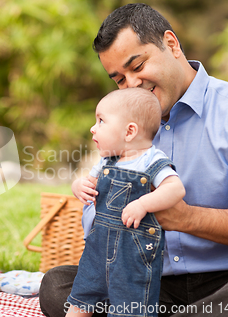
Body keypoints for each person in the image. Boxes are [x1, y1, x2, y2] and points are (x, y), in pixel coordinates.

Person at [40, 3, 228, 317]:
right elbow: (94, 220)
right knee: (58, 285)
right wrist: (102, 203)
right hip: (147, 284)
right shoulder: (123, 125)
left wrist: (183, 218)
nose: (132, 84)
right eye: (119, 79)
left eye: (137, 66)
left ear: (171, 44)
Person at [65, 88, 185, 317]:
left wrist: (143, 204)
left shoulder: (153, 159)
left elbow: (175, 189)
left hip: (133, 253)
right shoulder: (106, 161)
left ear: (130, 131)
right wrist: (78, 186)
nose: (93, 127)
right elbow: (88, 182)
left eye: (101, 121)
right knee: (82, 294)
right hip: (97, 247)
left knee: (129, 304)